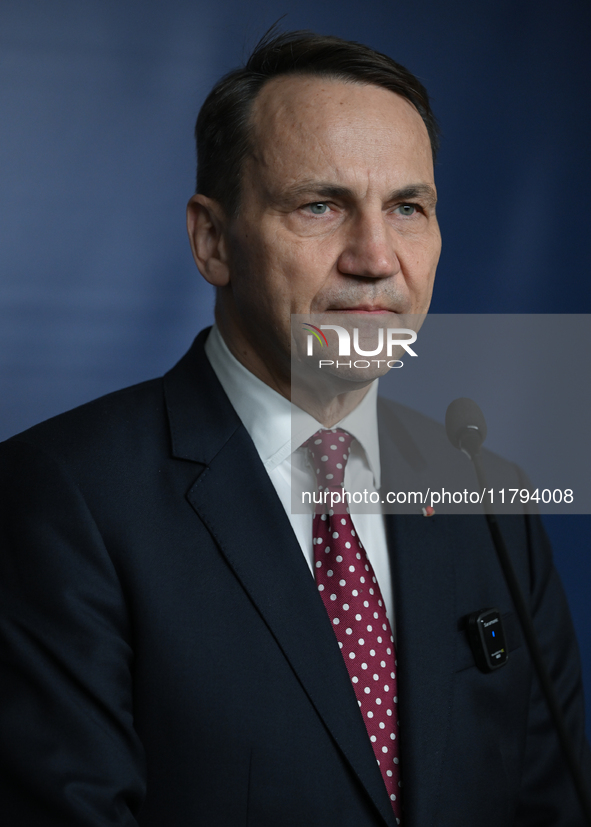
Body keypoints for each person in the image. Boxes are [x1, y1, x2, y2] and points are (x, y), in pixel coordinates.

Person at [0, 29, 589, 827]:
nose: (375, 257)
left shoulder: (488, 495)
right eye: (321, 205)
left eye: (407, 208)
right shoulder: (61, 497)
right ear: (213, 240)